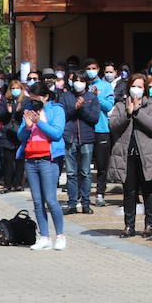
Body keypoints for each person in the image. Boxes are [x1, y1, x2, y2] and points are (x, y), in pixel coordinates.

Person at [108, 73, 152, 238]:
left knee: (149, 191)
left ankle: (149, 225)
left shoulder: (151, 105)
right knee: (129, 191)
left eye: (140, 86)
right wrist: (127, 113)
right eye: (134, 86)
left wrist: (138, 111)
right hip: (126, 154)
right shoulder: (120, 105)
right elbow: (113, 126)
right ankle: (129, 226)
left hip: (146, 154)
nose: (136, 89)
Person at [17, 81, 67, 251]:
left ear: (46, 97)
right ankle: (44, 236)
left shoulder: (56, 109)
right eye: (31, 99)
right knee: (37, 202)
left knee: (51, 200)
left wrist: (39, 122)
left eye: (36, 99)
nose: (33, 102)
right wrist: (28, 127)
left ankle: (60, 235)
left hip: (48, 159)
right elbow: (21, 136)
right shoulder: (30, 110)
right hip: (31, 159)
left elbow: (57, 133)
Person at [57, 72, 100, 214]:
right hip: (69, 138)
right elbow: (62, 116)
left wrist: (82, 109)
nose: (78, 83)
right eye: (76, 80)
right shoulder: (65, 97)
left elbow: (94, 118)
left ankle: (86, 203)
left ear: (86, 83)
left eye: (82, 80)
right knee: (71, 173)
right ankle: (71, 203)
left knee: (86, 172)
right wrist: (74, 108)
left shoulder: (92, 97)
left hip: (86, 138)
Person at [91, 61, 119, 206]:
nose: (91, 71)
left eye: (93, 68)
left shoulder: (106, 86)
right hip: (85, 130)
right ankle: (80, 195)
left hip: (102, 129)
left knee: (102, 165)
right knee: (83, 167)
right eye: (88, 69)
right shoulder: (82, 85)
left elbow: (109, 106)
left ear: (98, 69)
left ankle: (100, 193)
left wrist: (96, 97)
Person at [0, 79, 28, 192]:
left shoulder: (25, 100)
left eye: (17, 88)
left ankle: (18, 183)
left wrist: (19, 111)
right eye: (13, 88)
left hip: (20, 134)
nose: (15, 91)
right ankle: (7, 184)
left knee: (20, 160)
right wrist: (7, 112)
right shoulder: (5, 100)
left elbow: (27, 115)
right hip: (8, 134)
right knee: (8, 161)